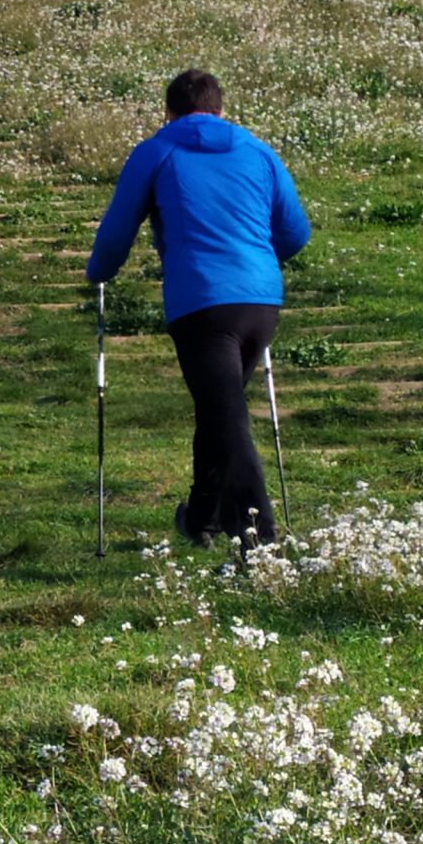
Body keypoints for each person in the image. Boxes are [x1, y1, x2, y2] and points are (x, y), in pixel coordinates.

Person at [86, 68, 310, 549]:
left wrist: (99, 271)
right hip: (261, 303)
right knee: (219, 409)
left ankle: (259, 545)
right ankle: (201, 518)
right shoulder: (257, 149)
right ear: (221, 109)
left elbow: (116, 232)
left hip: (202, 303)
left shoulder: (157, 150)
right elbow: (294, 233)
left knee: (226, 417)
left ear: (167, 112)